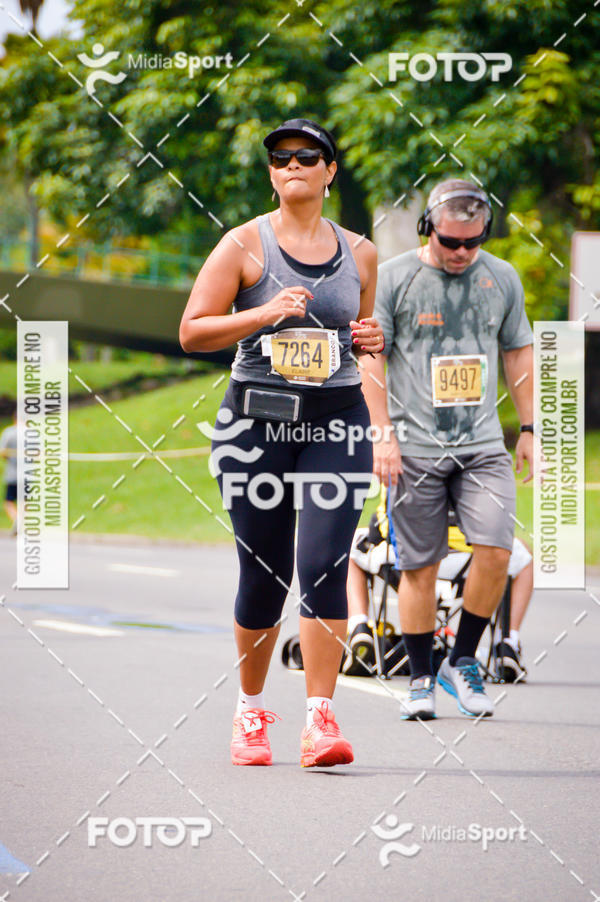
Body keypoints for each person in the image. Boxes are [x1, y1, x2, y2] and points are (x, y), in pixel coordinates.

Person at [179, 118, 384, 766]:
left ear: (329, 170)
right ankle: (249, 711)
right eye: (280, 157)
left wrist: (380, 407)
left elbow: (365, 343)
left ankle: (320, 720)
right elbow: (192, 331)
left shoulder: (362, 253)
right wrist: (264, 314)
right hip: (256, 424)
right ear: (271, 174)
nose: (292, 163)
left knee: (323, 560)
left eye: (307, 155)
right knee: (263, 575)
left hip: (336, 420)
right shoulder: (242, 246)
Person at [360, 177, 534, 720]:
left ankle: (462, 660)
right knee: (420, 565)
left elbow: (519, 354)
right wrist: (382, 433)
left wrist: (530, 429)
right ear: (427, 228)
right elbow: (371, 359)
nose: (461, 253)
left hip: (482, 443)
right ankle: (418, 677)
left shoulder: (502, 278)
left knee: (498, 550)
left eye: (472, 242)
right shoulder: (394, 279)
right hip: (414, 445)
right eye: (450, 242)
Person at [344, 513, 533, 684]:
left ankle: (359, 626)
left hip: (406, 561)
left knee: (351, 544)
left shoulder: (399, 475)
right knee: (522, 553)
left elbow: (380, 526)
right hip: (470, 566)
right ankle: (507, 641)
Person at [0, 405, 18, 535]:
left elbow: (2, 452)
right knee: (24, 501)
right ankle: (21, 521)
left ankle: (17, 520)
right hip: (29, 474)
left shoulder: (9, 432)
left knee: (8, 502)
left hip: (12, 473)